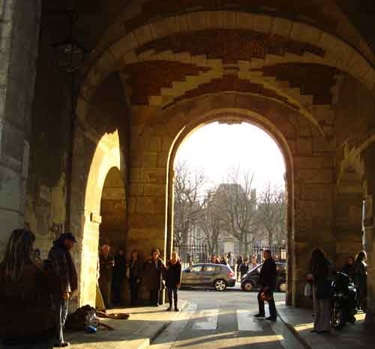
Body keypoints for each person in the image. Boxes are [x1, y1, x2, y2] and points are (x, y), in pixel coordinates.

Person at [0, 229, 56, 349]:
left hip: (9, 332)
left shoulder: (3, 270)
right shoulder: (36, 272)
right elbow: (51, 292)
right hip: (36, 332)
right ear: (28, 248)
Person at [48, 232, 78, 347]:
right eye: (71, 242)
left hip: (59, 287)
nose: (72, 245)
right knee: (60, 314)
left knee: (61, 313)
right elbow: (63, 272)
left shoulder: (61, 250)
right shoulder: (59, 251)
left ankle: (58, 338)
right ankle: (58, 339)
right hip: (59, 288)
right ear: (66, 240)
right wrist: (66, 289)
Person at [307, 248, 331, 333]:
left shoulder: (322, 262)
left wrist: (312, 276)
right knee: (319, 307)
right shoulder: (319, 262)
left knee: (322, 307)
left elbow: (322, 273)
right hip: (318, 285)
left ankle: (323, 327)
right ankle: (319, 326)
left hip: (321, 285)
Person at [254, 250, 277, 321]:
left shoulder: (271, 263)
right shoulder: (267, 261)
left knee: (270, 299)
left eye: (265, 254)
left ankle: (273, 315)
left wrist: (268, 285)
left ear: (268, 254)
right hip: (265, 284)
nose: (263, 255)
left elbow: (271, 275)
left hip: (268, 284)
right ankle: (262, 312)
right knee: (261, 297)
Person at [98, 244, 115, 308]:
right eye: (104, 250)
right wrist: (105, 264)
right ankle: (101, 304)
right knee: (101, 290)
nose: (106, 251)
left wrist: (105, 264)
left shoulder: (110, 257)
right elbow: (100, 264)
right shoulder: (100, 256)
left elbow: (111, 264)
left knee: (107, 291)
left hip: (108, 276)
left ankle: (107, 304)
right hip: (101, 276)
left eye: (107, 250)